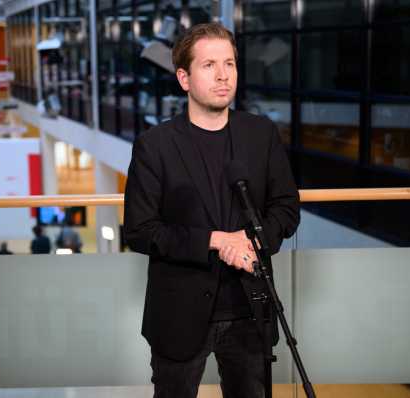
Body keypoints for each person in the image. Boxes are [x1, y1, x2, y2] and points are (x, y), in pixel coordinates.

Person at [123, 23, 300, 398]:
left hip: (250, 307)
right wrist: (216, 241)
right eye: (209, 65)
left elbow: (286, 208)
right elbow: (140, 230)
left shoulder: (261, 133)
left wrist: (251, 242)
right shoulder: (154, 146)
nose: (223, 75)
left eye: (230, 64)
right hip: (179, 314)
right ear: (184, 78)